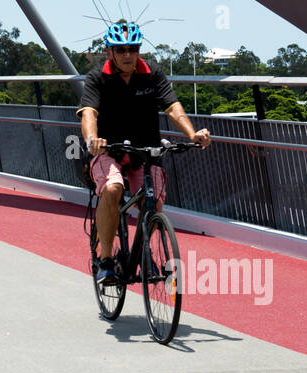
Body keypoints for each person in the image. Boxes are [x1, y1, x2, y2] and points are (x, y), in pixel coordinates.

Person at [77, 22, 211, 286]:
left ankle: (143, 251)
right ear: (109, 51)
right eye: (121, 49)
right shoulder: (97, 78)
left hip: (144, 151)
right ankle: (105, 261)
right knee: (114, 188)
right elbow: (89, 114)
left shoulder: (153, 75)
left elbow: (173, 108)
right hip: (108, 151)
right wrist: (93, 140)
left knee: (154, 203)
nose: (128, 55)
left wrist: (192, 134)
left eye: (133, 49)